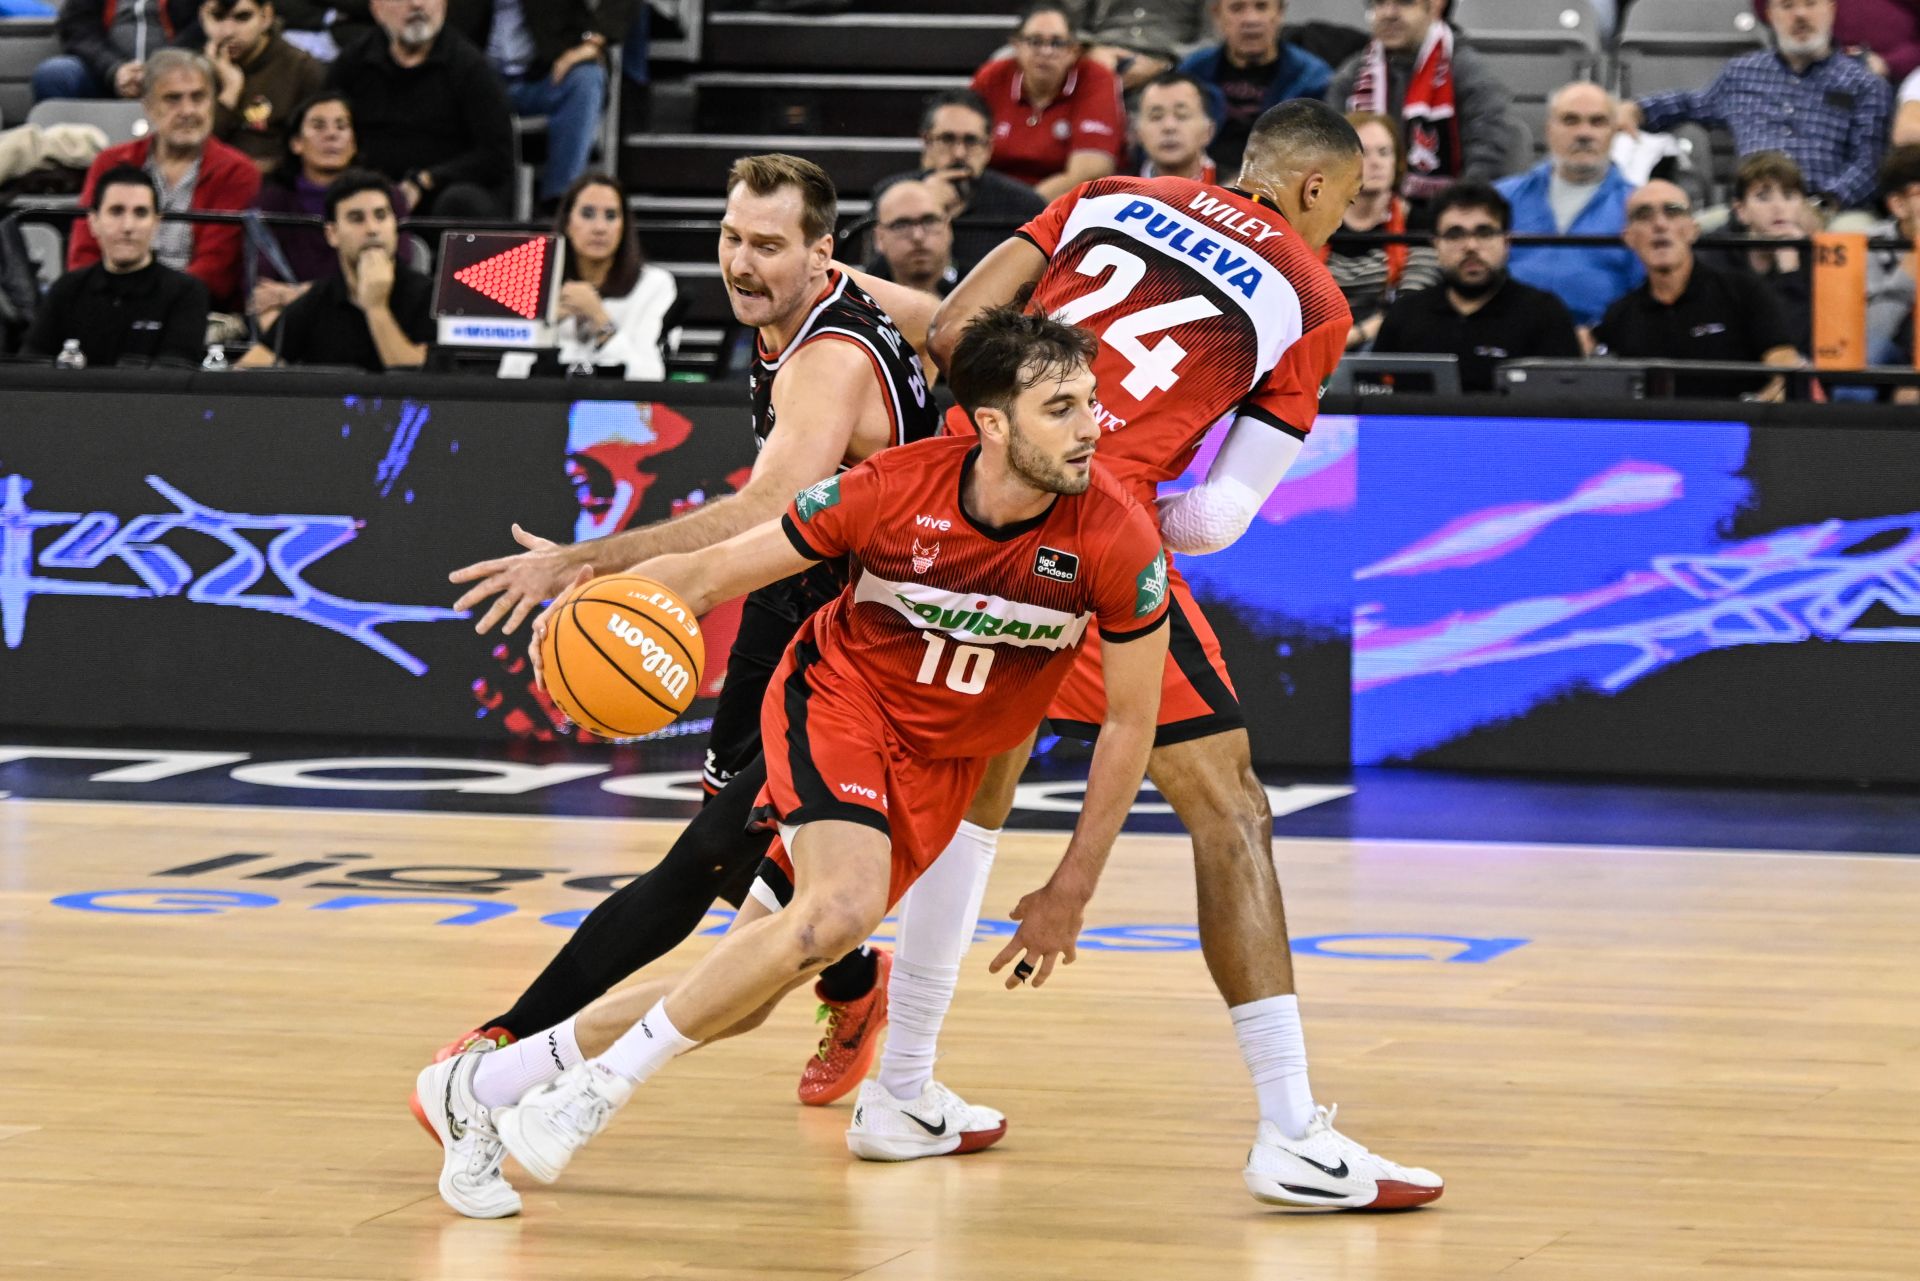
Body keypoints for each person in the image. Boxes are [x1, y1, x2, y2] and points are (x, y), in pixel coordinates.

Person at [418, 308, 1173, 1215]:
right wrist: (596, 601)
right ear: (995, 424)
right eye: (1063, 407)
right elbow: (712, 574)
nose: (1093, 426)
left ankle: (483, 1088)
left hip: (944, 759)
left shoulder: (1117, 538)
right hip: (839, 703)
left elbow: (1130, 723)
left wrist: (1072, 887)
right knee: (837, 912)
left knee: (747, 987)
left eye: (1093, 401)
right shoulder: (892, 488)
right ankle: (592, 1094)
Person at [420, 156, 1004, 1178]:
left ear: (822, 253)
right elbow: (956, 325)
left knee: (707, 861)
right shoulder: (834, 299)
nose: (741, 261)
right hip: (792, 604)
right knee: (742, 851)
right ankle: (856, 987)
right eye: (733, 237)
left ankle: (504, 1047)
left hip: (859, 644)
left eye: (768, 245)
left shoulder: (827, 357)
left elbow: (759, 512)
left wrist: (584, 559)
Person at [927, 98, 1444, 1209]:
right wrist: (1115, 513)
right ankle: (1293, 1132)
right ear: (1313, 189)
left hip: (960, 500)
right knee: (1233, 809)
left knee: (983, 780)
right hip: (1090, 526)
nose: (1338, 228)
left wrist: (1005, 475)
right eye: (1346, 206)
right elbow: (1216, 520)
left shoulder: (1106, 195)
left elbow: (950, 333)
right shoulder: (1311, 294)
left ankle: (900, 1085)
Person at [1618, 0, 1889, 211]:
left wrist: (1824, 204)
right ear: (1770, 14)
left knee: (1851, 238)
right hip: (1750, 208)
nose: (1801, 15)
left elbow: (1869, 164)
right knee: (1696, 237)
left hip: (1831, 210)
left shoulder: (1865, 85)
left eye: (1810, 3)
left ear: (1830, 9)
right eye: (1787, 5)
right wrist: (1638, 109)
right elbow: (1694, 103)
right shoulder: (1742, 73)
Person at [67, 48, 262, 312]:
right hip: (108, 303)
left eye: (198, 97)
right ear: (147, 106)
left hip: (196, 310)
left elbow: (216, 271)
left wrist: (149, 308)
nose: (188, 111)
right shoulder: (110, 163)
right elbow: (84, 254)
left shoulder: (238, 172)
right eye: (173, 99)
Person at [1594, 179, 1803, 399]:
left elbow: (1784, 367)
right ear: (1629, 237)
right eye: (1644, 215)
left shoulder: (1744, 292)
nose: (1660, 224)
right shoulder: (1619, 317)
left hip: (1734, 429)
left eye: (1672, 212)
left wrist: (1758, 408)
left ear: (1693, 230)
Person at [1371, 182, 1584, 391]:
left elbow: (1569, 406)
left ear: (1506, 242)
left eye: (1484, 233)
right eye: (1455, 234)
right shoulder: (1405, 314)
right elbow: (1370, 393)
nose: (1471, 246)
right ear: (1436, 244)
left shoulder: (1545, 314)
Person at [326, 0, 513, 217]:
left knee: (462, 201)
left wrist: (427, 180)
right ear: (376, 9)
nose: (416, 4)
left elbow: (496, 155)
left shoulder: (471, 68)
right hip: (368, 190)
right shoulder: (354, 62)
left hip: (442, 196)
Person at [237, 168, 431, 369]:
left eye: (381, 216)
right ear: (332, 234)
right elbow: (246, 373)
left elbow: (420, 383)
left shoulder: (429, 295)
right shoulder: (315, 302)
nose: (372, 229)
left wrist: (376, 307)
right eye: (356, 218)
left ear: (395, 226)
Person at [1327, 0, 1514, 205]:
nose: (1389, 13)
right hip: (1366, 215)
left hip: (1445, 217)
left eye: (1404, 2)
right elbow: (1332, 156)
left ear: (1435, 7)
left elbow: (1487, 161)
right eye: (1379, 3)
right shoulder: (1351, 76)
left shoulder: (1469, 72)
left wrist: (1450, 213)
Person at [497, 172, 678, 380]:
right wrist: (546, 323)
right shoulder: (536, 282)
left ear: (624, 227)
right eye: (587, 214)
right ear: (567, 223)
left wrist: (601, 320)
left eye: (611, 216)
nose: (600, 228)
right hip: (546, 405)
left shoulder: (653, 285)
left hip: (618, 409)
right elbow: (510, 375)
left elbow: (648, 377)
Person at [448, 0, 626, 211]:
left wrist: (592, 42)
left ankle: (560, 204)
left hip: (546, 77)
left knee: (586, 79)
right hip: (479, 80)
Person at [24, 164, 209, 365]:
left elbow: (176, 376)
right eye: (116, 211)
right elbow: (32, 365)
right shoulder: (67, 289)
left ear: (157, 223)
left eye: (140, 213)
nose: (128, 226)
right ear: (94, 221)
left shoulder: (186, 293)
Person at [1496, 82, 1643, 333]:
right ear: (1548, 130)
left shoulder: (1640, 207)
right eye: (1570, 120)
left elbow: (1647, 295)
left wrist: (1601, 335)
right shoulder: (1501, 198)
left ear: (1613, 132)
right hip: (1507, 338)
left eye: (1597, 122)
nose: (1584, 133)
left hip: (1601, 349)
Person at [248, 91, 396, 330]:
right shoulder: (272, 201)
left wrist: (298, 294)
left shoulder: (383, 198)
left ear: (354, 142)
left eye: (342, 126)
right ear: (296, 143)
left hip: (368, 317)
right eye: (318, 126)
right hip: (292, 322)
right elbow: (261, 288)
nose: (331, 134)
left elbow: (395, 275)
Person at [872, 90, 1047, 274]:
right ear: (926, 142)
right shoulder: (891, 195)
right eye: (947, 139)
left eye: (971, 141)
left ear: (988, 148)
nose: (959, 153)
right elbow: (877, 274)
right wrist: (924, 205)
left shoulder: (1023, 205)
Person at [970, 2, 1126, 199]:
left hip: (1063, 208)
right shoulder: (992, 77)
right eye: (1035, 41)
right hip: (991, 201)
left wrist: (1022, 207)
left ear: (1073, 51)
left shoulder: (1095, 77)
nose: (1045, 52)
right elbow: (962, 152)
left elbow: (1091, 172)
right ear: (1016, 45)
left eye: (1057, 43)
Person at [1178, 0, 1331, 180]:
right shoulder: (1193, 72)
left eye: (1261, 7)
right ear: (1217, 15)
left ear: (1280, 13)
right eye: (1237, 8)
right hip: (1198, 184)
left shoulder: (1312, 77)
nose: (1251, 19)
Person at [1325, 109, 1438, 348]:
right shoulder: (1315, 221)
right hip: (1318, 335)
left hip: (1386, 337)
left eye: (1384, 152)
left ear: (1397, 161)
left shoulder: (1419, 222)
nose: (1376, 162)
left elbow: (1413, 301)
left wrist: (1357, 334)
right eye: (1364, 153)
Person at [1700, 151, 1817, 351]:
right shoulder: (1714, 254)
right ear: (1741, 211)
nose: (1779, 207)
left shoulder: (1813, 256)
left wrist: (1791, 273)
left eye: (1788, 196)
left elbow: (1797, 346)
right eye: (1763, 197)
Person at [199, 0, 325, 175]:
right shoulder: (193, 72)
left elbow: (314, 154)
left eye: (242, 17)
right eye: (217, 17)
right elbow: (189, 152)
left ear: (266, 16)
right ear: (202, 17)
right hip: (207, 186)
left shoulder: (302, 71)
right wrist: (229, 93)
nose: (228, 31)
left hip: (275, 191)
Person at [32, 0, 197, 103]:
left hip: (181, 71)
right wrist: (115, 70)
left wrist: (159, 68)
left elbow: (202, 26)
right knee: (54, 75)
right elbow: (78, 28)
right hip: (105, 75)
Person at [1071, 0, 1210, 91]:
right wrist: (1090, 48)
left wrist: (1167, 63)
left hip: (1169, 64)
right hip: (1101, 52)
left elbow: (1213, 38)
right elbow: (1066, 18)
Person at [1866, 144, 1920, 364]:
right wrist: (1916, 256)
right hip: (1887, 348)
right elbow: (1876, 328)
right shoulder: (1870, 244)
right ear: (1898, 205)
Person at [863, 180, 957, 298]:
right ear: (879, 238)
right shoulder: (859, 299)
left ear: (948, 229)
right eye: (901, 225)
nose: (918, 236)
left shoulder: (980, 292)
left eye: (929, 221)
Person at [1132, 71, 1217, 182]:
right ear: (1138, 133)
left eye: (1182, 115)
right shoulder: (1117, 194)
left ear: (1208, 131)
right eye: (1156, 117)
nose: (1169, 127)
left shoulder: (1236, 192)